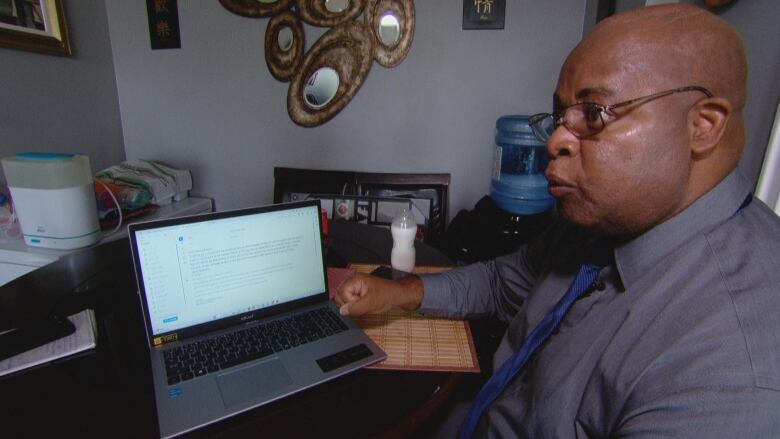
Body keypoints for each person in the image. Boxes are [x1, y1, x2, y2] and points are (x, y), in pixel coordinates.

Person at [335, 3, 780, 438]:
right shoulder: (595, 225)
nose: (554, 143)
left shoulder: (732, 371)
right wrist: (398, 292)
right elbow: (498, 283)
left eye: (593, 113)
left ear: (703, 126)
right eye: (559, 117)